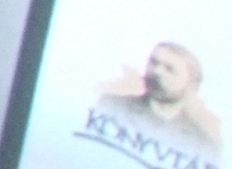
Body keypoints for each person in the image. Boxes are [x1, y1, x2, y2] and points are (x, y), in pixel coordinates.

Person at [94, 41, 223, 156]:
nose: (157, 72)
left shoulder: (203, 145)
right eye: (154, 63)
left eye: (169, 69)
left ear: (191, 84)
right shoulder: (112, 106)